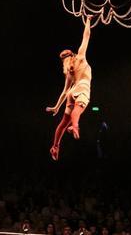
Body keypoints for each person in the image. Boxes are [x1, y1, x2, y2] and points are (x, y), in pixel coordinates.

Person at [46, 17, 93, 161]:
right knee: (78, 109)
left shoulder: (69, 73)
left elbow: (65, 92)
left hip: (72, 91)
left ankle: (55, 146)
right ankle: (75, 127)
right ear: (72, 54)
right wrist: (88, 21)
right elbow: (86, 36)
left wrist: (56, 107)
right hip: (82, 86)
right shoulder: (80, 57)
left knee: (62, 123)